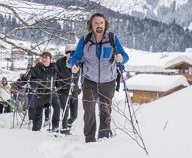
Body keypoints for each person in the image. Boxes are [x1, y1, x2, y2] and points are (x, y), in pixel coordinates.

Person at [70, 13, 129, 143]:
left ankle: (103, 139)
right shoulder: (85, 40)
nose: (99, 25)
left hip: (108, 81)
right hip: (89, 81)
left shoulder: (112, 38)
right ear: (91, 25)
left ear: (105, 24)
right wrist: (74, 65)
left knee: (105, 110)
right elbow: (76, 57)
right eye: (96, 23)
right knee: (89, 109)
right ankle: (90, 139)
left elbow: (125, 56)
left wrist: (121, 58)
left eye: (101, 23)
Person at [28, 51, 60, 131]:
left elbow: (58, 80)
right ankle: (36, 130)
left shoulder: (54, 68)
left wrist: (60, 86)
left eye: (46, 58)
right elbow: (31, 81)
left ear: (50, 59)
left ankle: (55, 126)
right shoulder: (36, 69)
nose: (44, 59)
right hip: (40, 93)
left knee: (57, 106)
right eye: (43, 58)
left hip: (51, 92)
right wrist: (36, 83)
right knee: (38, 113)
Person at [56, 44, 79, 134]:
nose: (69, 54)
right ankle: (64, 130)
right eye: (68, 52)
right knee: (65, 112)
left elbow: (79, 75)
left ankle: (66, 126)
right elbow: (58, 74)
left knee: (74, 115)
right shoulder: (60, 62)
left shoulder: (78, 62)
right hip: (63, 91)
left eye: (72, 52)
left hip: (74, 90)